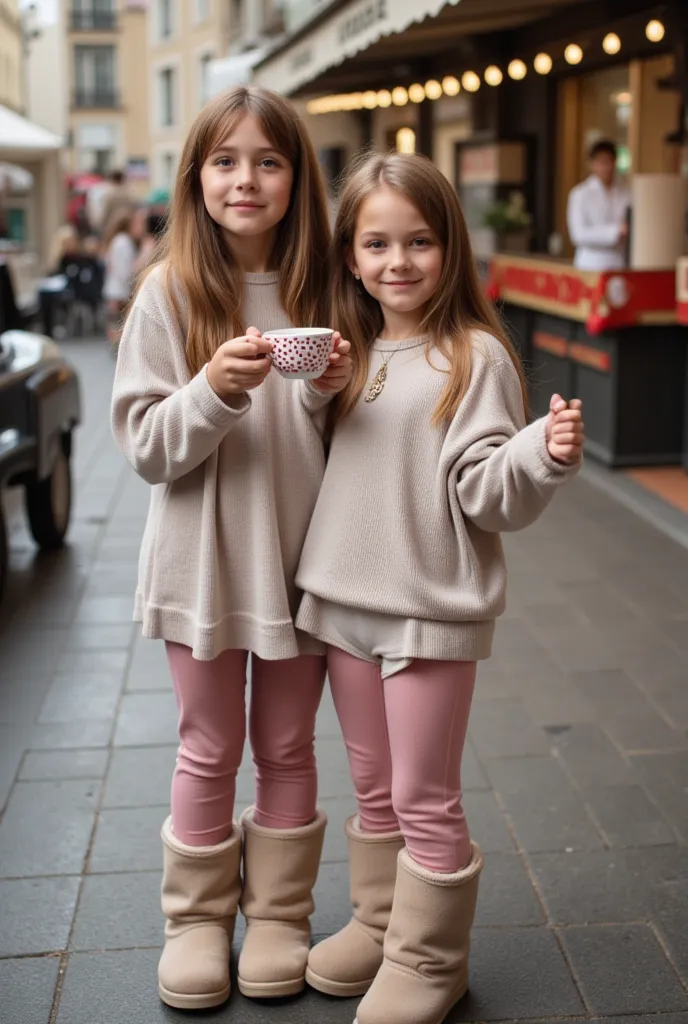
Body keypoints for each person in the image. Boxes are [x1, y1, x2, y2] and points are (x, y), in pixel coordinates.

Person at [295, 152, 584, 1024]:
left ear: (450, 247)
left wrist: (539, 453)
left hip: (426, 612)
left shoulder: (477, 356)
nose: (399, 262)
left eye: (419, 241)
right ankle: (381, 926)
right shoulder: (353, 353)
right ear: (350, 256)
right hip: (341, 603)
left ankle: (430, 960)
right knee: (374, 789)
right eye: (377, 243)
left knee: (425, 796)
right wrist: (316, 394)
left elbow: (483, 493)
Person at [110, 86, 352, 1012]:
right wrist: (213, 388)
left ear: (297, 180)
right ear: (196, 177)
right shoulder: (170, 291)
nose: (245, 179)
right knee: (209, 744)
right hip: (202, 556)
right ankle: (197, 923)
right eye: (225, 161)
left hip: (300, 555)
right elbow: (145, 448)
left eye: (268, 160)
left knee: (289, 743)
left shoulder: (328, 289)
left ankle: (282, 917)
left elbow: (348, 437)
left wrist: (335, 389)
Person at [567, 139, 631, 271]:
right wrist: (616, 231)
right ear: (592, 164)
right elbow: (578, 234)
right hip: (591, 263)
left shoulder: (626, 193)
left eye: (609, 161)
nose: (606, 167)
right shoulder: (580, 194)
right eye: (601, 162)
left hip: (619, 262)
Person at [103, 212, 138, 344]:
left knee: (115, 322)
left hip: (113, 288)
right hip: (120, 290)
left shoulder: (115, 241)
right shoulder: (124, 242)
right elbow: (125, 270)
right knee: (120, 323)